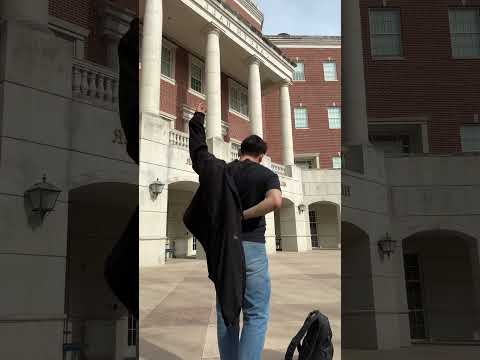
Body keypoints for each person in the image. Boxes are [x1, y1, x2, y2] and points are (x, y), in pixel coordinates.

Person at [192, 103, 283, 360]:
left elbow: (199, 155)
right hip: (253, 249)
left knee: (227, 314)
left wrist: (198, 119)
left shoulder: (223, 171)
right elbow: (275, 202)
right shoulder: (266, 174)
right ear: (261, 156)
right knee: (256, 315)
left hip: (226, 251)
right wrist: (245, 214)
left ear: (240, 151)